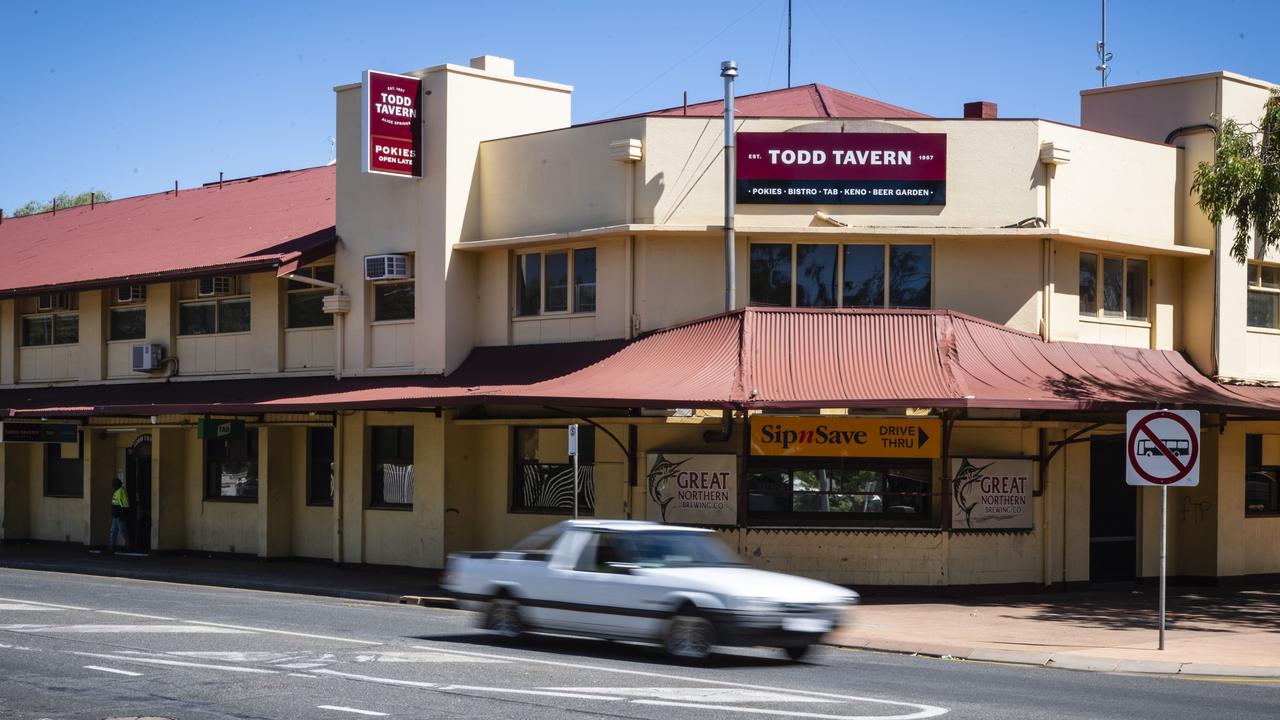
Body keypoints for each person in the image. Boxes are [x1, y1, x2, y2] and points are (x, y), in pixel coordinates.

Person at [107, 477, 129, 554]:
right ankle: (110, 547)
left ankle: (128, 545)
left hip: (120, 516)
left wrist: (122, 515)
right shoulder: (117, 491)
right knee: (113, 531)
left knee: (122, 531)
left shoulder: (121, 491)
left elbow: (125, 504)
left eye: (114, 484)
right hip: (116, 516)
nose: (113, 486)